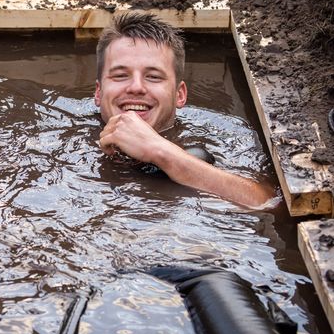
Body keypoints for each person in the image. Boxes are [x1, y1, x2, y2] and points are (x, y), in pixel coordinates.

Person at [95, 13, 275, 208]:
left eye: (153, 77)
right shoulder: (62, 130)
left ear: (179, 95)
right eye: (120, 75)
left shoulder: (224, 135)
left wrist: (159, 150)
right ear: (98, 92)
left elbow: (266, 201)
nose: (136, 87)